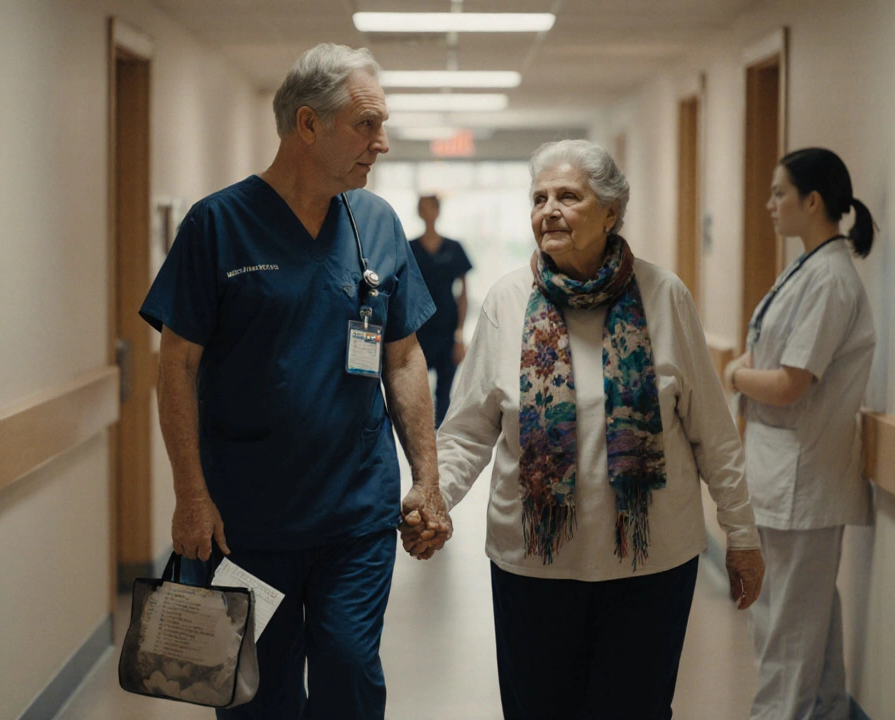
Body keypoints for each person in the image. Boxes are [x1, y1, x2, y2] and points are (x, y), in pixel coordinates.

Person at [401, 139, 765, 720]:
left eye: (568, 196)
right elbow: (468, 431)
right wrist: (432, 497)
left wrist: (741, 535)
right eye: (539, 198)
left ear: (611, 211)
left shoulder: (664, 296)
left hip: (651, 566)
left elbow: (713, 435)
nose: (549, 210)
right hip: (533, 566)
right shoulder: (507, 301)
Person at [140, 43, 452, 719]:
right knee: (256, 694)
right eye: (366, 125)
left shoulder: (377, 223)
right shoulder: (217, 225)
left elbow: (402, 358)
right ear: (308, 124)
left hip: (357, 513)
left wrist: (426, 480)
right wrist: (190, 495)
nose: (381, 143)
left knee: (349, 669)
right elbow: (177, 364)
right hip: (246, 519)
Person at [722, 147, 876, 720]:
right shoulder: (807, 269)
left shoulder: (830, 280)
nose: (770, 204)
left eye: (778, 193)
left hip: (802, 480)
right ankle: (828, 711)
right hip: (783, 474)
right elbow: (771, 352)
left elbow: (790, 384)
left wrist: (733, 375)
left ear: (812, 202)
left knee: (785, 632)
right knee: (810, 623)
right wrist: (744, 370)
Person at [408, 194, 473, 427]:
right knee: (415, 392)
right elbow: (403, 292)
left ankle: (441, 443)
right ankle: (420, 439)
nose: (428, 213)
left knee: (444, 394)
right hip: (419, 330)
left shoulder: (454, 248)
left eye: (431, 208)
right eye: (423, 208)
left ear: (438, 211)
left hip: (446, 329)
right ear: (418, 212)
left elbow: (463, 294)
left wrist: (459, 335)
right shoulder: (410, 249)